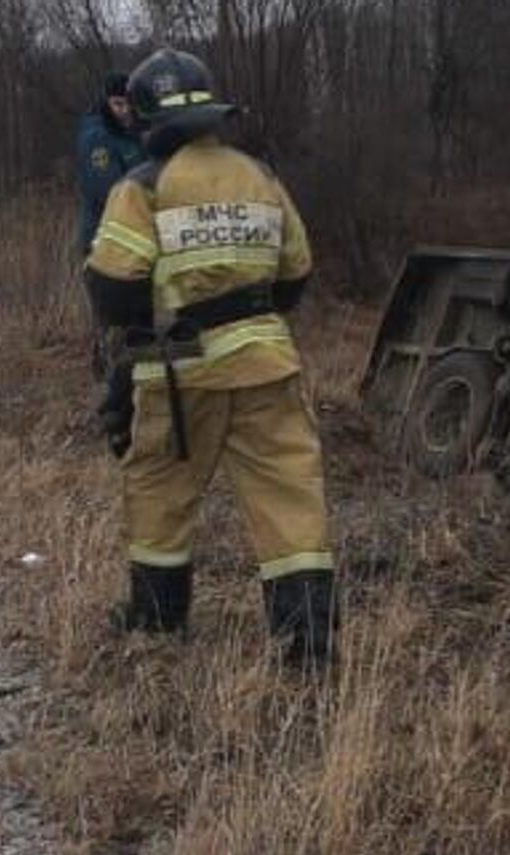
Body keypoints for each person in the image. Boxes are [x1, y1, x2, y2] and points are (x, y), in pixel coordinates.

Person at [85, 48, 336, 669]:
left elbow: (114, 289)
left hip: (180, 373)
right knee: (289, 499)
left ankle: (159, 620)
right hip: (265, 364)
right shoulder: (261, 176)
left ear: (144, 120)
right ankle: (307, 643)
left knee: (160, 493)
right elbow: (296, 273)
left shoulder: (141, 186)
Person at [75, 72, 146, 257]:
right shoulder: (96, 137)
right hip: (103, 238)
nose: (125, 110)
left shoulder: (131, 132)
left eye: (128, 103)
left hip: (129, 236)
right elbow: (107, 191)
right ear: (106, 102)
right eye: (118, 104)